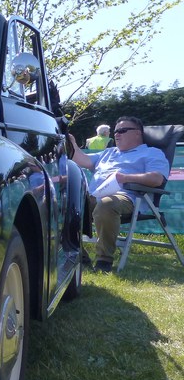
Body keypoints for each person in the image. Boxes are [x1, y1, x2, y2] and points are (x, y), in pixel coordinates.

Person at [69, 116, 170, 273]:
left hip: (127, 197)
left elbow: (157, 178)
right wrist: (72, 144)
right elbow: (83, 160)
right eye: (115, 131)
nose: (116, 134)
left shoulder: (151, 153)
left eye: (122, 130)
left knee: (107, 204)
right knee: (67, 203)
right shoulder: (108, 153)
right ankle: (79, 255)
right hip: (94, 195)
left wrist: (125, 178)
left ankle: (104, 261)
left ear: (138, 133)